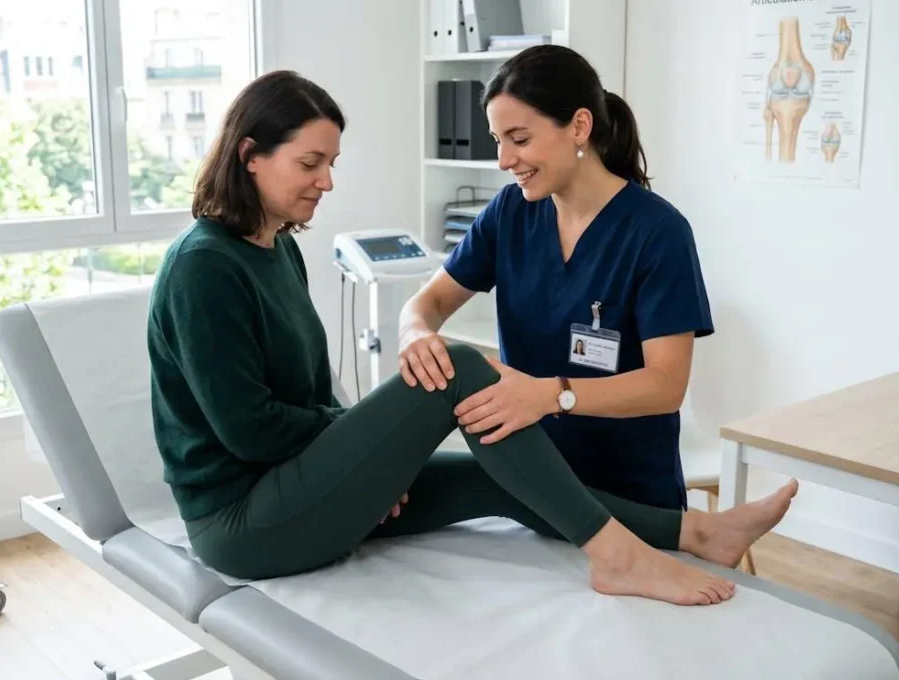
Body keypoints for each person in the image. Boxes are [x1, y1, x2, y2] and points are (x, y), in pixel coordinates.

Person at [146, 69, 800, 608]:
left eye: (331, 163)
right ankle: (620, 557)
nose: (328, 181)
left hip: (611, 464)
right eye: (311, 163)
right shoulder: (204, 266)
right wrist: (364, 457)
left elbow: (313, 398)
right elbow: (249, 432)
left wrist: (360, 468)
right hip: (241, 522)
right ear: (250, 156)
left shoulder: (276, 250)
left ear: (578, 127)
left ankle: (697, 531)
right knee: (462, 365)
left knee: (491, 481)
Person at [399, 45, 708, 512]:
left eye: (519, 139)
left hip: (628, 494)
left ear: (579, 126)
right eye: (496, 139)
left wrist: (551, 395)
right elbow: (429, 304)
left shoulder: (657, 233)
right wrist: (415, 333)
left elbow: (665, 386)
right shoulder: (509, 214)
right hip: (530, 484)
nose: (503, 160)